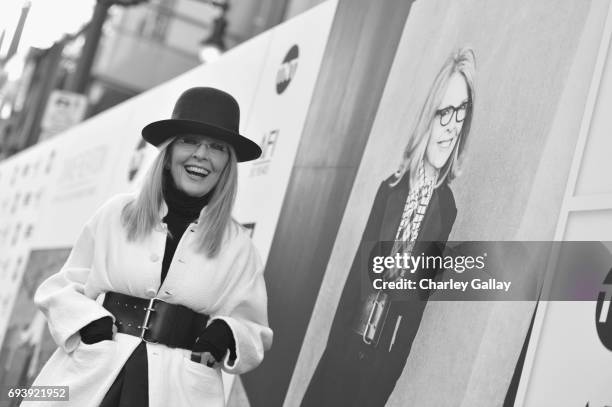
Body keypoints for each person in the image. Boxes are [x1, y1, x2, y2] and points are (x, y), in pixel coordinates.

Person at [22, 88, 273, 407]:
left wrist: (226, 334)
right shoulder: (117, 214)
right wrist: (89, 323)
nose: (201, 155)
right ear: (168, 154)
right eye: (189, 141)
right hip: (94, 372)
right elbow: (60, 289)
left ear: (227, 164)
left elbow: (254, 330)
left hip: (180, 389)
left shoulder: (239, 246)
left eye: (217, 147)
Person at [301, 48, 476, 407]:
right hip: (344, 349)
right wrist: (334, 349)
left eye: (461, 113)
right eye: (445, 112)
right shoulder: (391, 188)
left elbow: (415, 309)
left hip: (379, 366)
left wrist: (388, 378)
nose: (451, 127)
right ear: (429, 115)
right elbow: (356, 280)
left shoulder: (447, 207)